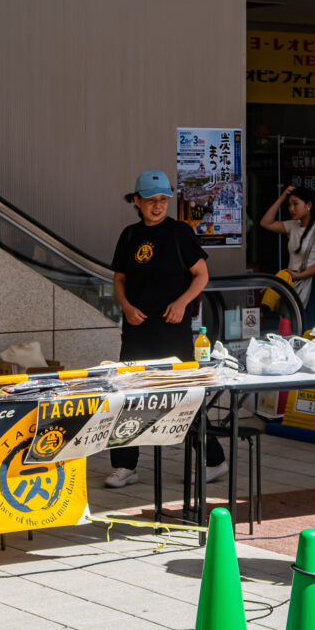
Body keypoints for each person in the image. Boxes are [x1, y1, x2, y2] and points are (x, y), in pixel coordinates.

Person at [105, 170, 226, 488]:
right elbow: (119, 280)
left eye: (163, 200)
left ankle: (213, 459)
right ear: (136, 201)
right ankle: (125, 466)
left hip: (172, 331)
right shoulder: (129, 235)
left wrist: (182, 303)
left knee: (185, 397)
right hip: (136, 331)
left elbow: (201, 275)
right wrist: (126, 307)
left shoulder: (180, 233)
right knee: (128, 396)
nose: (158, 206)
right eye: (150, 200)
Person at [260, 186, 315, 328]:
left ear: (309, 205)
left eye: (295, 204)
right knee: (291, 326)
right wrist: (282, 198)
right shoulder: (293, 226)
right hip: (293, 282)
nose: (291, 208)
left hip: (312, 285)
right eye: (289, 204)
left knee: (306, 327)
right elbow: (265, 222)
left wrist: (302, 275)